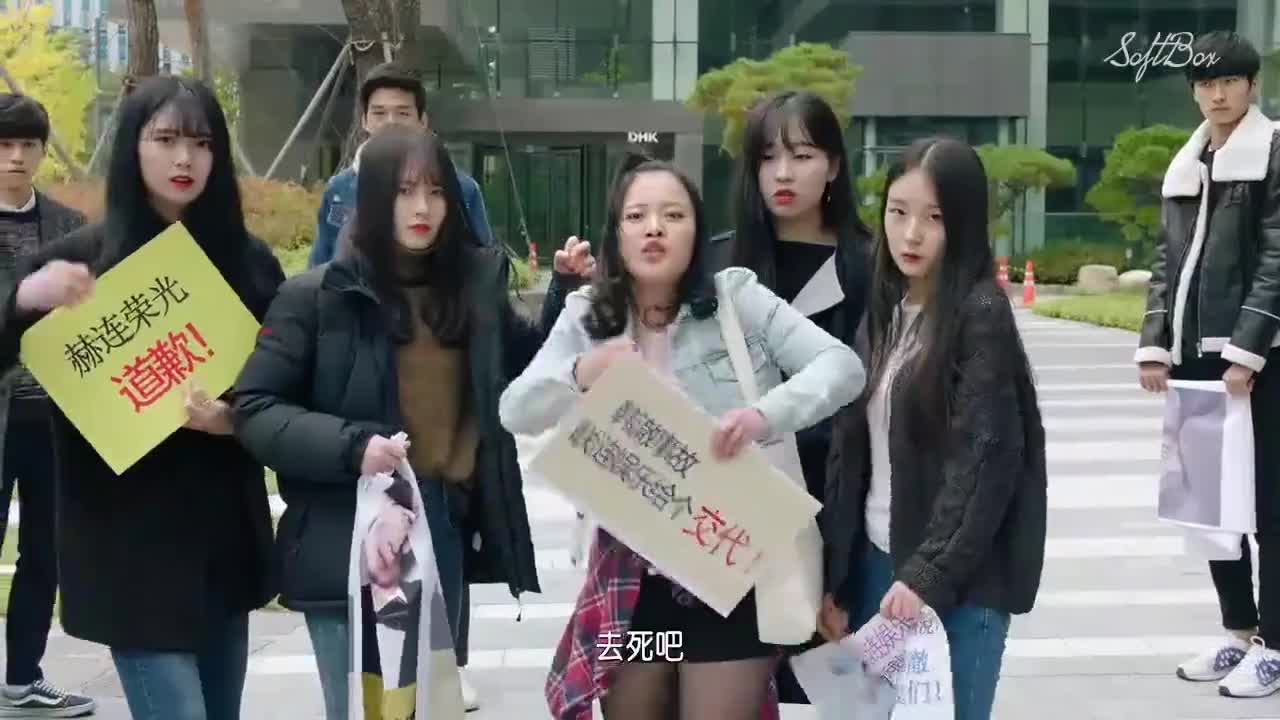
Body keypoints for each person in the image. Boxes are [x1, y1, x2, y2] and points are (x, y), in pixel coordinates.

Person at [499, 158, 865, 720]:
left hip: (732, 570)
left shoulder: (736, 299)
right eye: (637, 216)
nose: (654, 229)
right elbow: (516, 410)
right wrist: (581, 371)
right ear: (616, 233)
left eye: (673, 215)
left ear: (697, 231)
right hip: (634, 583)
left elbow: (842, 367)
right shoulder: (588, 314)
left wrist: (763, 417)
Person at [233, 126, 544, 719]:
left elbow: (530, 365)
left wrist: (568, 290)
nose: (422, 208)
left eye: (436, 190)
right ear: (374, 197)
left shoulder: (470, 292)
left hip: (441, 527)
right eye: (404, 191)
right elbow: (255, 407)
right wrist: (354, 447)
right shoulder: (316, 297)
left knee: (428, 708)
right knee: (364, 710)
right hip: (349, 536)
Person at [0, 76, 284, 720]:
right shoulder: (78, 262)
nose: (185, 158)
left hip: (222, 539)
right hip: (127, 543)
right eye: (166, 139)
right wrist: (23, 302)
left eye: (202, 143)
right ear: (133, 146)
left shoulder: (250, 262)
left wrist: (236, 420)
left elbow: (288, 382)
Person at [817, 136, 1047, 720]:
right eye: (898, 212)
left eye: (934, 218)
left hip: (957, 585)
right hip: (876, 570)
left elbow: (985, 460)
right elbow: (852, 456)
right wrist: (838, 580)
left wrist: (927, 575)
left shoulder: (980, 314)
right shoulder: (884, 313)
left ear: (963, 223)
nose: (911, 234)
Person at [1134, 31, 1280, 698]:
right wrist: (1155, 342)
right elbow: (1167, 261)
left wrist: (1248, 350)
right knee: (1212, 505)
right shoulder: (1187, 162)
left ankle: (1274, 644)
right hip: (1195, 358)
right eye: (1205, 83)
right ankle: (1238, 632)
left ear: (1252, 86)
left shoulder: (1272, 151)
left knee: (1268, 505)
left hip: (1260, 361)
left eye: (1229, 82)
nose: (1216, 94)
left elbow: (1277, 258)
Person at [0, 93, 93, 717]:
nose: (16, 157)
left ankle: (24, 676)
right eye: (4, 145)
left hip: (53, 414)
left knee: (44, 548)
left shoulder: (68, 226)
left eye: (28, 145)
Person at [309, 61, 494, 268]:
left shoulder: (461, 188)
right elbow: (320, 267)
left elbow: (483, 266)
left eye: (403, 113)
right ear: (364, 121)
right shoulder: (339, 189)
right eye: (379, 113)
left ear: (422, 122)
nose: (390, 122)